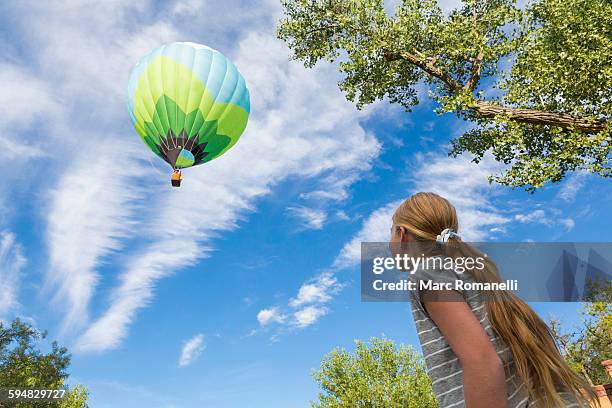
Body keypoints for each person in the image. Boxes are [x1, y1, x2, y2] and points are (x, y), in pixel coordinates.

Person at [390, 192, 594, 408]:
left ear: (402, 235)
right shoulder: (474, 271)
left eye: (390, 233)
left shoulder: (428, 274)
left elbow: (482, 363)